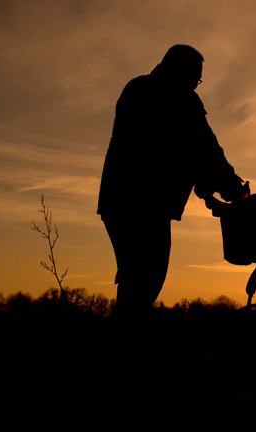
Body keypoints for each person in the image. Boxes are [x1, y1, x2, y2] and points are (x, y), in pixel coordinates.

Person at [97, 45, 248, 317]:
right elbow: (203, 147)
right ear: (180, 71)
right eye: (195, 77)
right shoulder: (181, 100)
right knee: (144, 282)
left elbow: (177, 149)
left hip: (116, 202)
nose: (195, 85)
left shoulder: (137, 88)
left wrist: (204, 181)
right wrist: (233, 189)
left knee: (136, 281)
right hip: (146, 206)